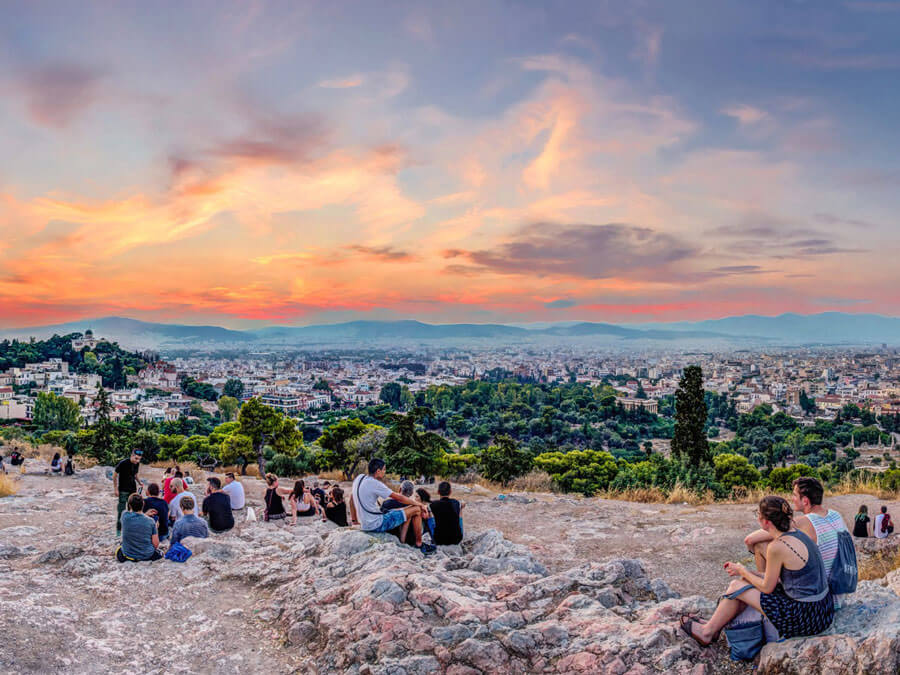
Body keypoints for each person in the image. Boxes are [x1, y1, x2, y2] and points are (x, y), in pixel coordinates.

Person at [681, 496, 833, 647]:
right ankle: (714, 626)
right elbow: (783, 579)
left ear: (766, 522)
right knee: (744, 583)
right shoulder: (798, 534)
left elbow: (768, 587)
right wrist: (748, 573)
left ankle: (707, 632)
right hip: (822, 610)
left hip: (803, 617)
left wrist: (742, 570)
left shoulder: (777, 546)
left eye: (758, 514)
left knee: (735, 586)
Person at [349, 458, 436, 555]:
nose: (385, 472)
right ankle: (419, 544)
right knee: (417, 509)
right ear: (378, 471)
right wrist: (420, 504)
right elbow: (399, 498)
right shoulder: (376, 484)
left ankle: (405, 541)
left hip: (364, 524)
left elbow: (351, 499)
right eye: (384, 469)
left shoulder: (359, 478)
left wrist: (354, 521)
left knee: (402, 511)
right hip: (377, 524)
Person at [118, 493, 162, 562]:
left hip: (128, 554)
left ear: (129, 505)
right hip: (146, 555)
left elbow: (133, 516)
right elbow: (156, 545)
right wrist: (155, 527)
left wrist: (145, 514)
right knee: (159, 554)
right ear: (143, 504)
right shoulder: (151, 522)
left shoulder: (124, 515)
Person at [113, 450, 143, 535]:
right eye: (136, 458)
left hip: (132, 489)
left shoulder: (137, 464)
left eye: (139, 459)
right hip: (123, 490)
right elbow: (114, 475)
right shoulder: (123, 463)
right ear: (132, 455)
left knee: (132, 510)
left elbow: (135, 475)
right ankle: (118, 530)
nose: (137, 461)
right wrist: (115, 489)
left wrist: (139, 482)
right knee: (121, 511)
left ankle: (129, 528)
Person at [381, 480, 418, 545]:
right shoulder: (412, 508)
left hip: (389, 536)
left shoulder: (386, 503)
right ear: (412, 493)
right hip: (408, 540)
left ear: (399, 489)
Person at [431, 481, 465, 546]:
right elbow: (460, 505)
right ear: (450, 492)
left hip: (439, 540)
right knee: (459, 512)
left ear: (438, 492)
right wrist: (460, 508)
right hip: (456, 540)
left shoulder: (433, 504)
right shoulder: (456, 502)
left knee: (429, 515)